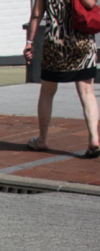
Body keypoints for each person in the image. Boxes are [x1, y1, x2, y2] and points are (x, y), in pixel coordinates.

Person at [25, 0, 100, 157]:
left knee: (47, 92)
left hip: (55, 44)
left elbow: (37, 15)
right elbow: (90, 4)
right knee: (87, 92)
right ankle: (94, 138)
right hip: (82, 42)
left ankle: (42, 139)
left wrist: (29, 42)